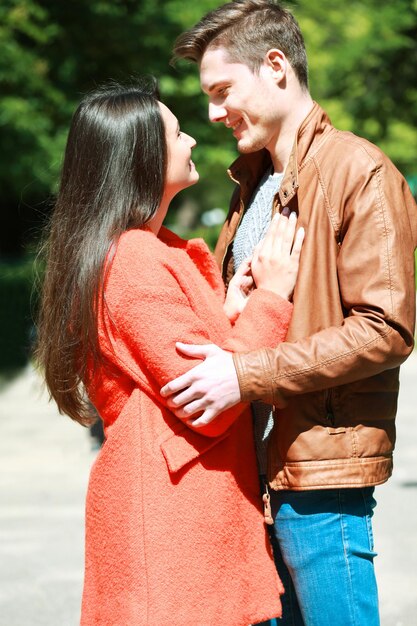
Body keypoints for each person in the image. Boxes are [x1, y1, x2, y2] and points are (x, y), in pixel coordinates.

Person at [161, 2, 417, 625]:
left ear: (276, 66)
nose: (214, 113)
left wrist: (245, 376)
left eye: (223, 91)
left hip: (321, 484)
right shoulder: (251, 182)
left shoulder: (360, 170)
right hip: (253, 483)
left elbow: (388, 329)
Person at [35, 79, 306, 625]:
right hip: (171, 521)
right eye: (178, 133)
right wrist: (272, 300)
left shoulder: (143, 250)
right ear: (142, 157)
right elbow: (209, 401)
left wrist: (227, 311)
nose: (192, 142)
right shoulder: (133, 258)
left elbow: (183, 356)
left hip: (178, 510)